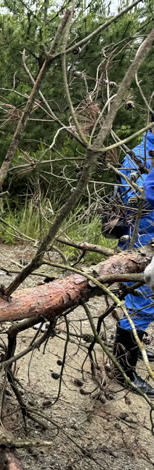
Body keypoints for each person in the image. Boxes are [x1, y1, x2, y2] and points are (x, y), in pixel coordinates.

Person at [114, 117, 154, 396]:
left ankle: (137, 348)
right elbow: (134, 199)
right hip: (144, 236)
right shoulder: (139, 155)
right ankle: (123, 370)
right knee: (142, 301)